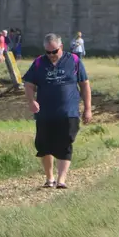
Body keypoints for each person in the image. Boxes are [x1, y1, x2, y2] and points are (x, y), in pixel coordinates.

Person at [22, 33, 91, 189]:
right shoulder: (39, 63)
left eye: (54, 51)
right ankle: (49, 178)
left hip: (69, 112)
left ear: (61, 47)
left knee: (65, 143)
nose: (51, 55)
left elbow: (85, 85)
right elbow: (29, 84)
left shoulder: (74, 60)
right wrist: (31, 101)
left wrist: (87, 109)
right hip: (45, 113)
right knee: (44, 145)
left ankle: (61, 180)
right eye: (48, 52)